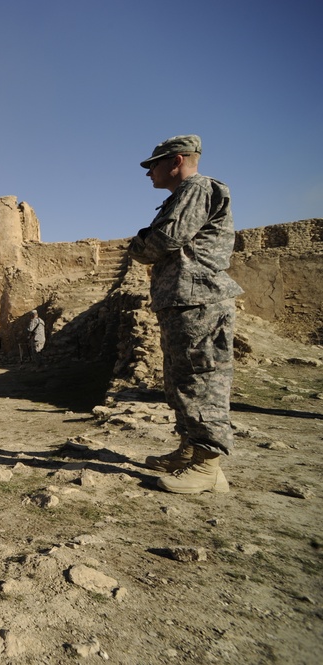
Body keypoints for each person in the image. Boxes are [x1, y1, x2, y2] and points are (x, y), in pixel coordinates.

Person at [129, 134, 243, 494]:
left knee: (200, 379)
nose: (149, 173)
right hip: (182, 301)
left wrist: (138, 244)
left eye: (154, 165)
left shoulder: (197, 188)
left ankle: (208, 464)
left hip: (199, 302)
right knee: (181, 380)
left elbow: (164, 240)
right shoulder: (180, 196)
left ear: (176, 161)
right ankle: (192, 451)